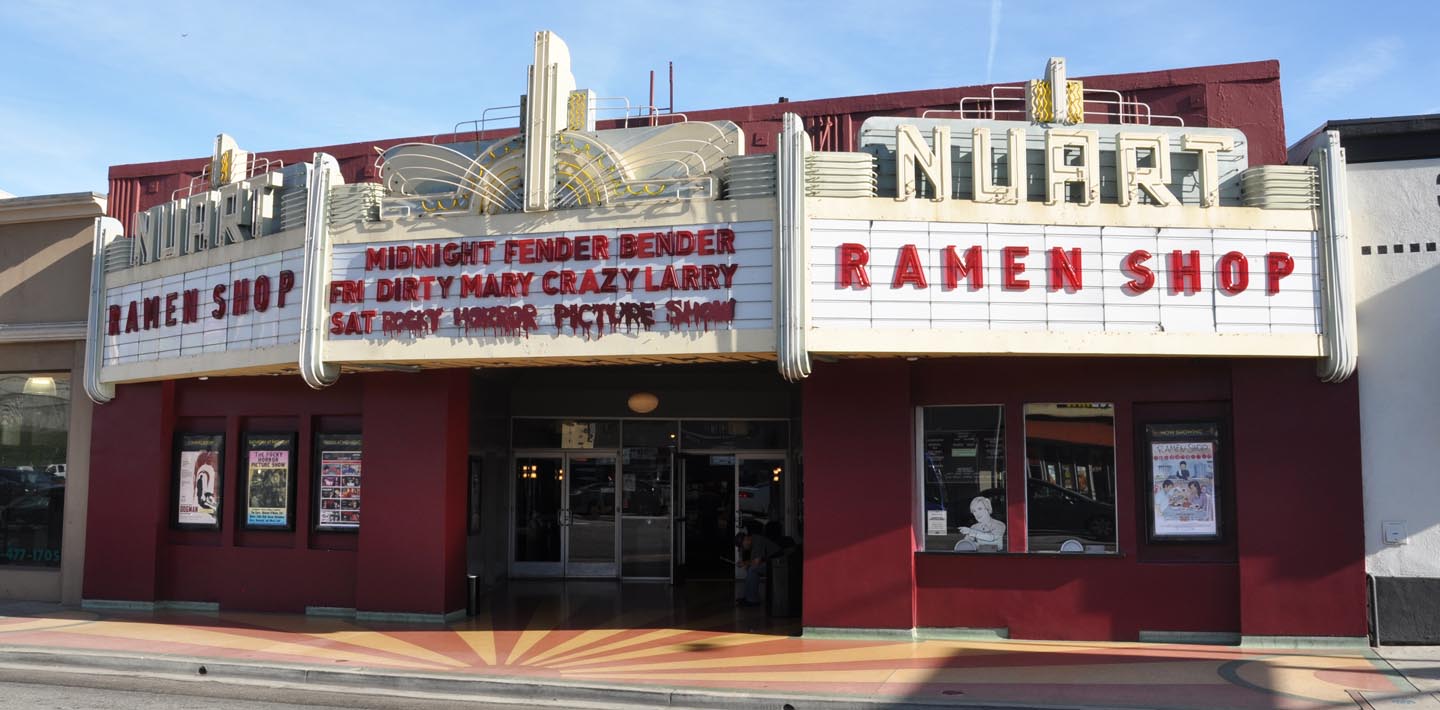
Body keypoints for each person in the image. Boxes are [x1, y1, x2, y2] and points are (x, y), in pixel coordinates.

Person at [736, 524, 781, 607]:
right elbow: (754, 562)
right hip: (772, 562)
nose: (743, 548)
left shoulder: (757, 541)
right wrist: (747, 564)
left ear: (746, 539)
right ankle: (748, 597)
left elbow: (756, 562)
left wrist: (745, 563)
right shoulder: (753, 541)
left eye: (742, 546)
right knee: (752, 569)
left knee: (752, 569)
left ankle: (753, 600)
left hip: (777, 564)